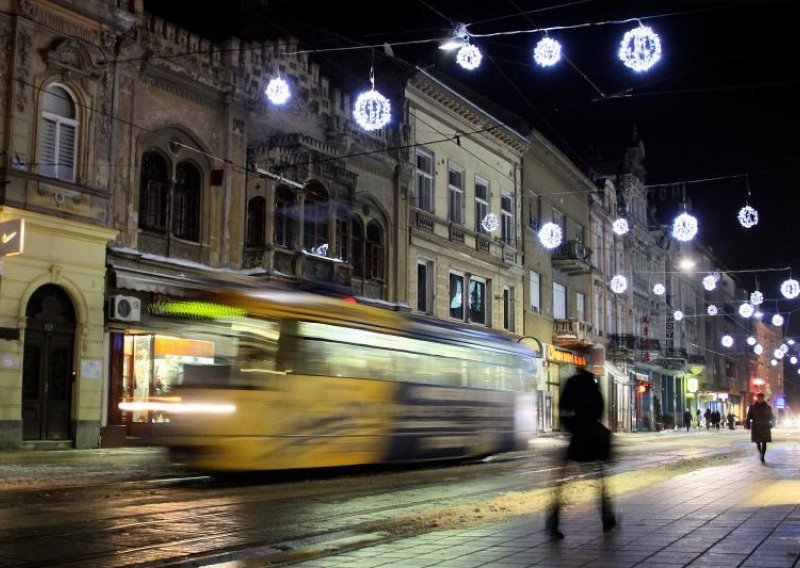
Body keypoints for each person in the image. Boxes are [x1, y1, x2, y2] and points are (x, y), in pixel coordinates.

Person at [546, 368, 615, 539]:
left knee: (562, 484)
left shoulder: (571, 384)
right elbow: (600, 408)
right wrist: (591, 424)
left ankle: (553, 522)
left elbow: (563, 410)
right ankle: (607, 518)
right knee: (600, 481)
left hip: (576, 438)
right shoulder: (592, 385)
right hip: (591, 437)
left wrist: (573, 428)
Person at [745, 392, 774, 463]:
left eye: (761, 398)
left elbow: (772, 417)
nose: (760, 399)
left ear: (763, 398)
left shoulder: (767, 407)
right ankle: (760, 452)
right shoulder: (752, 407)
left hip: (765, 426)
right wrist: (748, 424)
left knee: (764, 442)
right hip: (756, 427)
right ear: (757, 398)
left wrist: (771, 424)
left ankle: (762, 456)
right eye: (759, 398)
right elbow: (749, 416)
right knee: (757, 442)